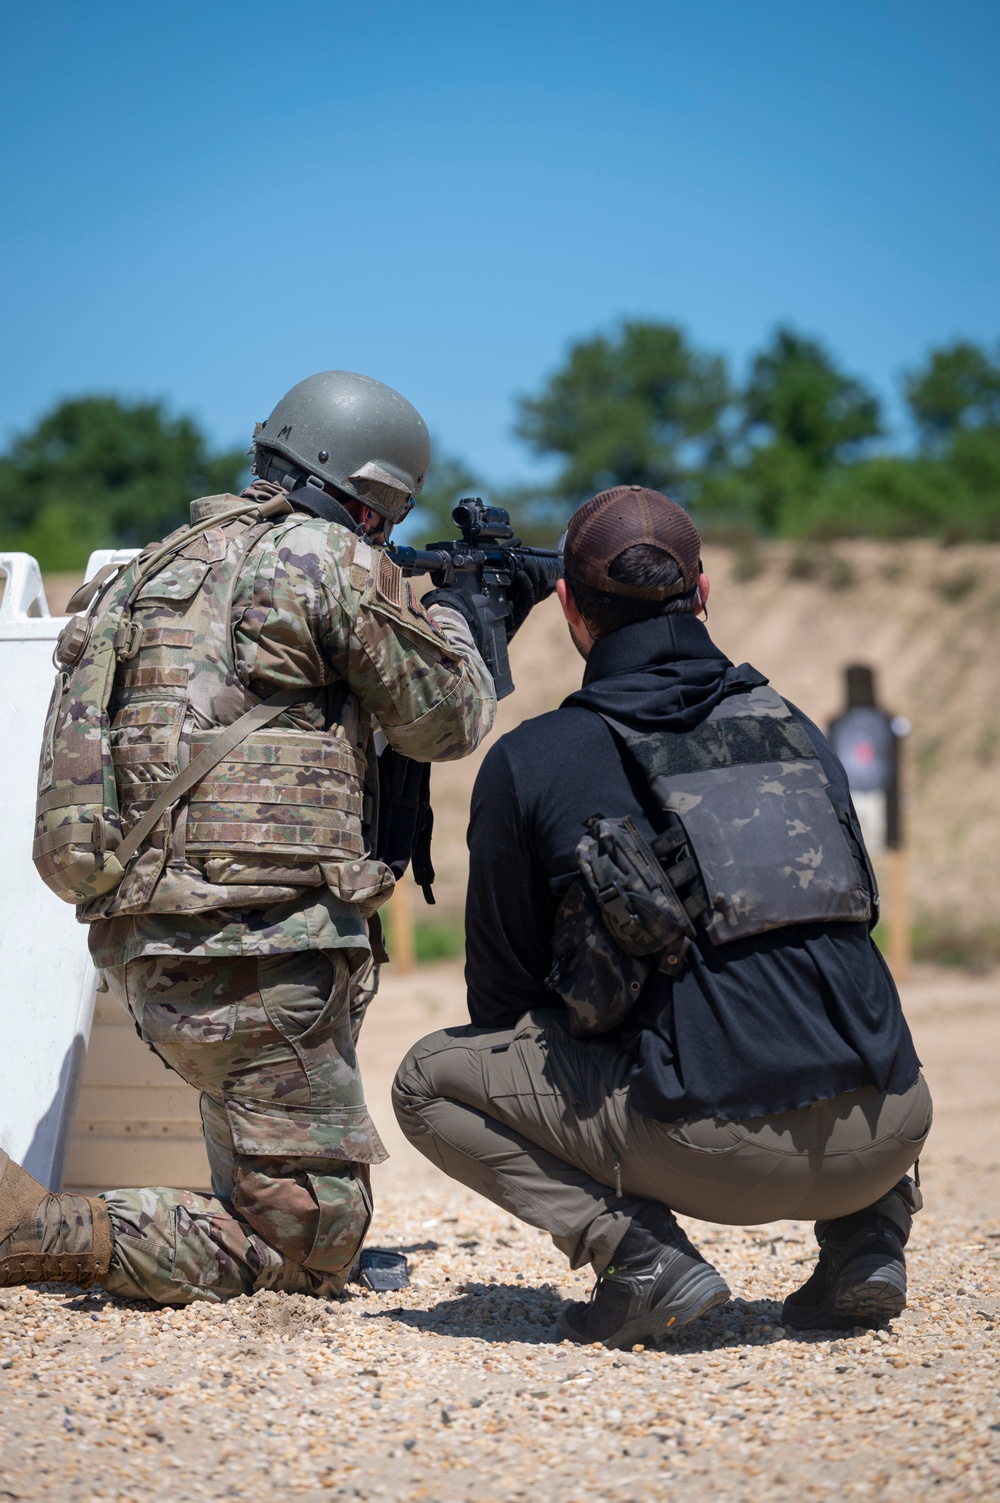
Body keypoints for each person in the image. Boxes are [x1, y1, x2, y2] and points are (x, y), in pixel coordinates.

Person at [1, 370, 528, 1304]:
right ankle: (39, 1231)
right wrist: (461, 620)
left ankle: (230, 1200)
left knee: (265, 1145)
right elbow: (442, 721)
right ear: (371, 492)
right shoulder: (322, 560)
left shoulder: (150, 568)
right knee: (304, 1248)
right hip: (256, 950)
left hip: (143, 942)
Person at [393, 485, 931, 1350]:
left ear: (569, 608)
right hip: (891, 1124)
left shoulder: (531, 760)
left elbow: (502, 1000)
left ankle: (640, 1258)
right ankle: (867, 1239)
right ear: (704, 593)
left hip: (709, 1153)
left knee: (427, 1077)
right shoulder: (795, 727)